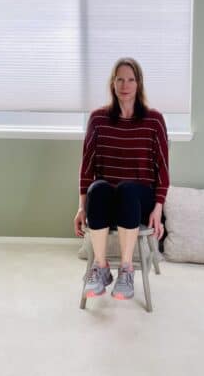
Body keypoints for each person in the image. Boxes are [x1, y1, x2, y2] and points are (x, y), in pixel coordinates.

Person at [73, 57, 170, 301]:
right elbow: (87, 168)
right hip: (106, 203)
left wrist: (158, 208)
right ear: (112, 83)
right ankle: (102, 269)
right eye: (120, 79)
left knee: (127, 189)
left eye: (130, 79)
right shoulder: (98, 119)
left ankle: (126, 271)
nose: (125, 85)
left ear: (139, 84)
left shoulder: (154, 120)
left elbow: (163, 170)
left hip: (139, 202)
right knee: (98, 188)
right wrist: (81, 207)